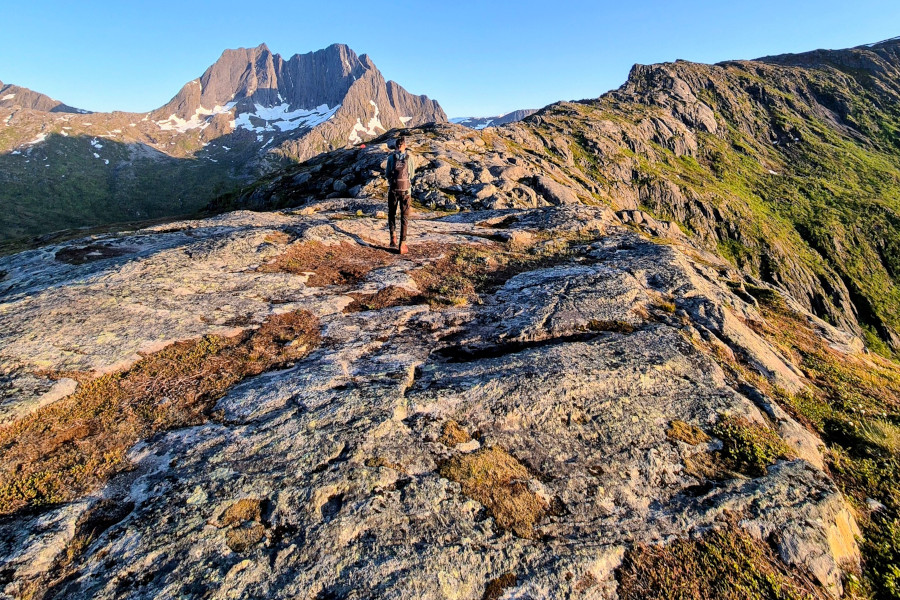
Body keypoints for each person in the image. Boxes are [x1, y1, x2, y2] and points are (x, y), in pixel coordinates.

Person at [385, 135, 415, 254]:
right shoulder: (409, 158)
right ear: (405, 146)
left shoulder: (391, 158)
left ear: (396, 146)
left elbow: (387, 173)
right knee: (404, 217)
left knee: (391, 213)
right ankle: (402, 244)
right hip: (406, 191)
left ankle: (393, 237)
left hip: (393, 190)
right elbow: (411, 175)